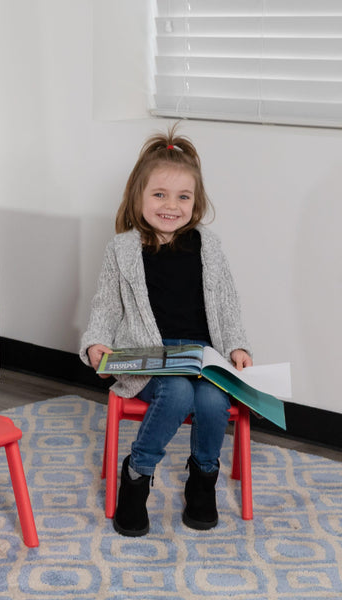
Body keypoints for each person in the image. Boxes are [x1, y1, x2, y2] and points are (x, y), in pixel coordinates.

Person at [79, 125, 252, 536]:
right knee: (176, 392)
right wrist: (95, 346)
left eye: (183, 197)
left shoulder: (209, 247)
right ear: (138, 196)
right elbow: (105, 306)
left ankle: (202, 479)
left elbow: (227, 306)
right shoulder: (122, 249)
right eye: (159, 194)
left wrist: (238, 347)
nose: (171, 206)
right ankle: (137, 476)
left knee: (211, 401)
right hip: (149, 358)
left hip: (201, 357)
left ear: (196, 202)